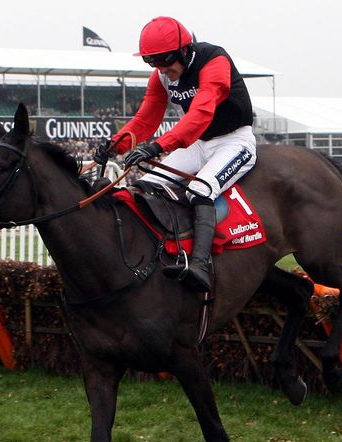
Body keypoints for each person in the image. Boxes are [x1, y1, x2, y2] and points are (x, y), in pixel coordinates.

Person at [93, 16, 256, 292]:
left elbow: (201, 113)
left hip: (234, 141)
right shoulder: (161, 75)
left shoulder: (214, 60)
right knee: (145, 185)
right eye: (152, 62)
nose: (161, 69)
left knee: (200, 189)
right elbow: (146, 118)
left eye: (165, 60)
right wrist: (113, 145)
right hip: (199, 144)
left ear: (184, 50)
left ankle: (200, 265)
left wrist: (158, 146)